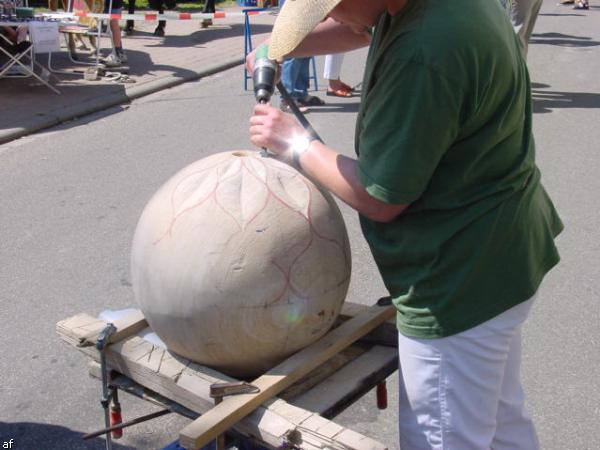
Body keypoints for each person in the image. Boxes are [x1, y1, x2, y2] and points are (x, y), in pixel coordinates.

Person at [248, 0, 563, 449]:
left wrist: (293, 142)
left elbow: (380, 196)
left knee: (445, 438)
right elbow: (360, 28)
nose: (326, 15)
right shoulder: (422, 9)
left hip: (457, 280)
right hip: (501, 253)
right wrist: (278, 47)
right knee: (499, 423)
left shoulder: (424, 50)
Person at [102, 0, 127, 66]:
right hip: (114, 4)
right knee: (114, 24)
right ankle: (119, 53)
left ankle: (117, 54)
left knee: (113, 23)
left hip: (112, 4)